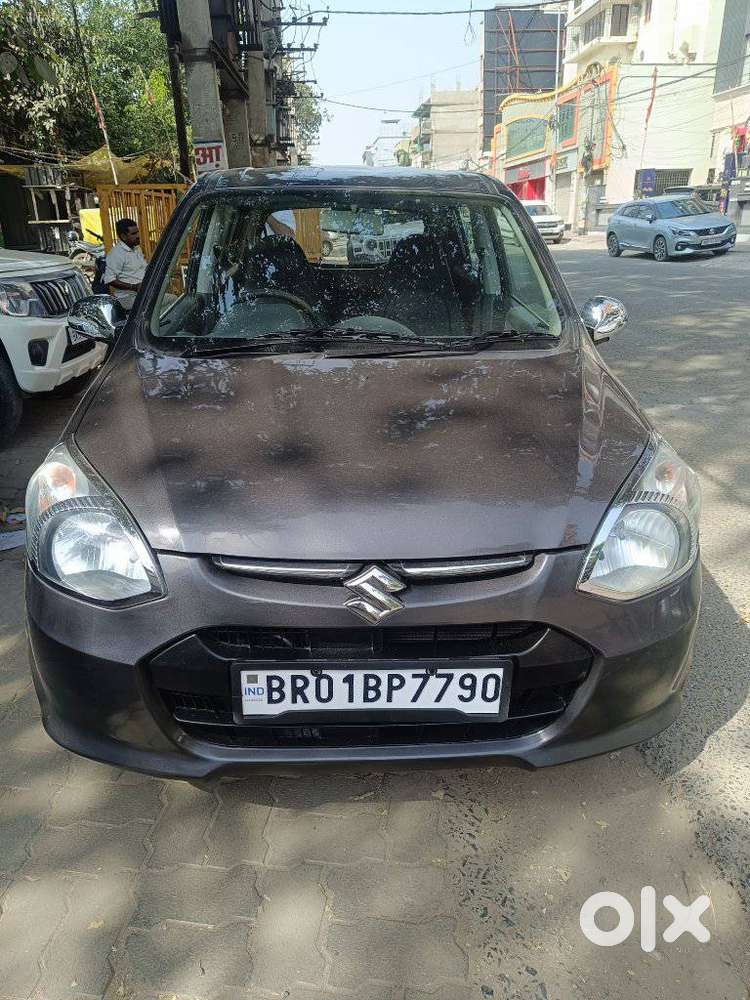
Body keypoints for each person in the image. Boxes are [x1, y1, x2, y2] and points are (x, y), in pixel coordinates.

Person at [104, 218, 147, 309]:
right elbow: (109, 279)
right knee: (168, 302)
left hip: (143, 293)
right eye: (133, 234)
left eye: (137, 232)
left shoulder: (137, 248)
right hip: (127, 297)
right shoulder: (116, 253)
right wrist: (134, 287)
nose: (138, 236)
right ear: (123, 236)